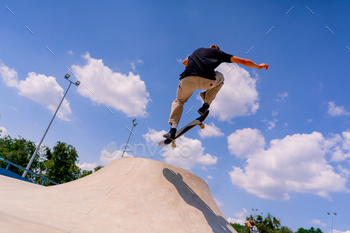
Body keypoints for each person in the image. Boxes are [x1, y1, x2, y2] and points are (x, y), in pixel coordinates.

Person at [163, 45, 269, 139]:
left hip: (186, 80)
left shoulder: (198, 50)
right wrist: (258, 66)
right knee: (221, 78)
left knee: (179, 101)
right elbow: (244, 62)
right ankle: (206, 104)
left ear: (209, 47)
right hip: (207, 81)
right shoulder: (218, 53)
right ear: (217, 50)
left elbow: (184, 62)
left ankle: (172, 129)